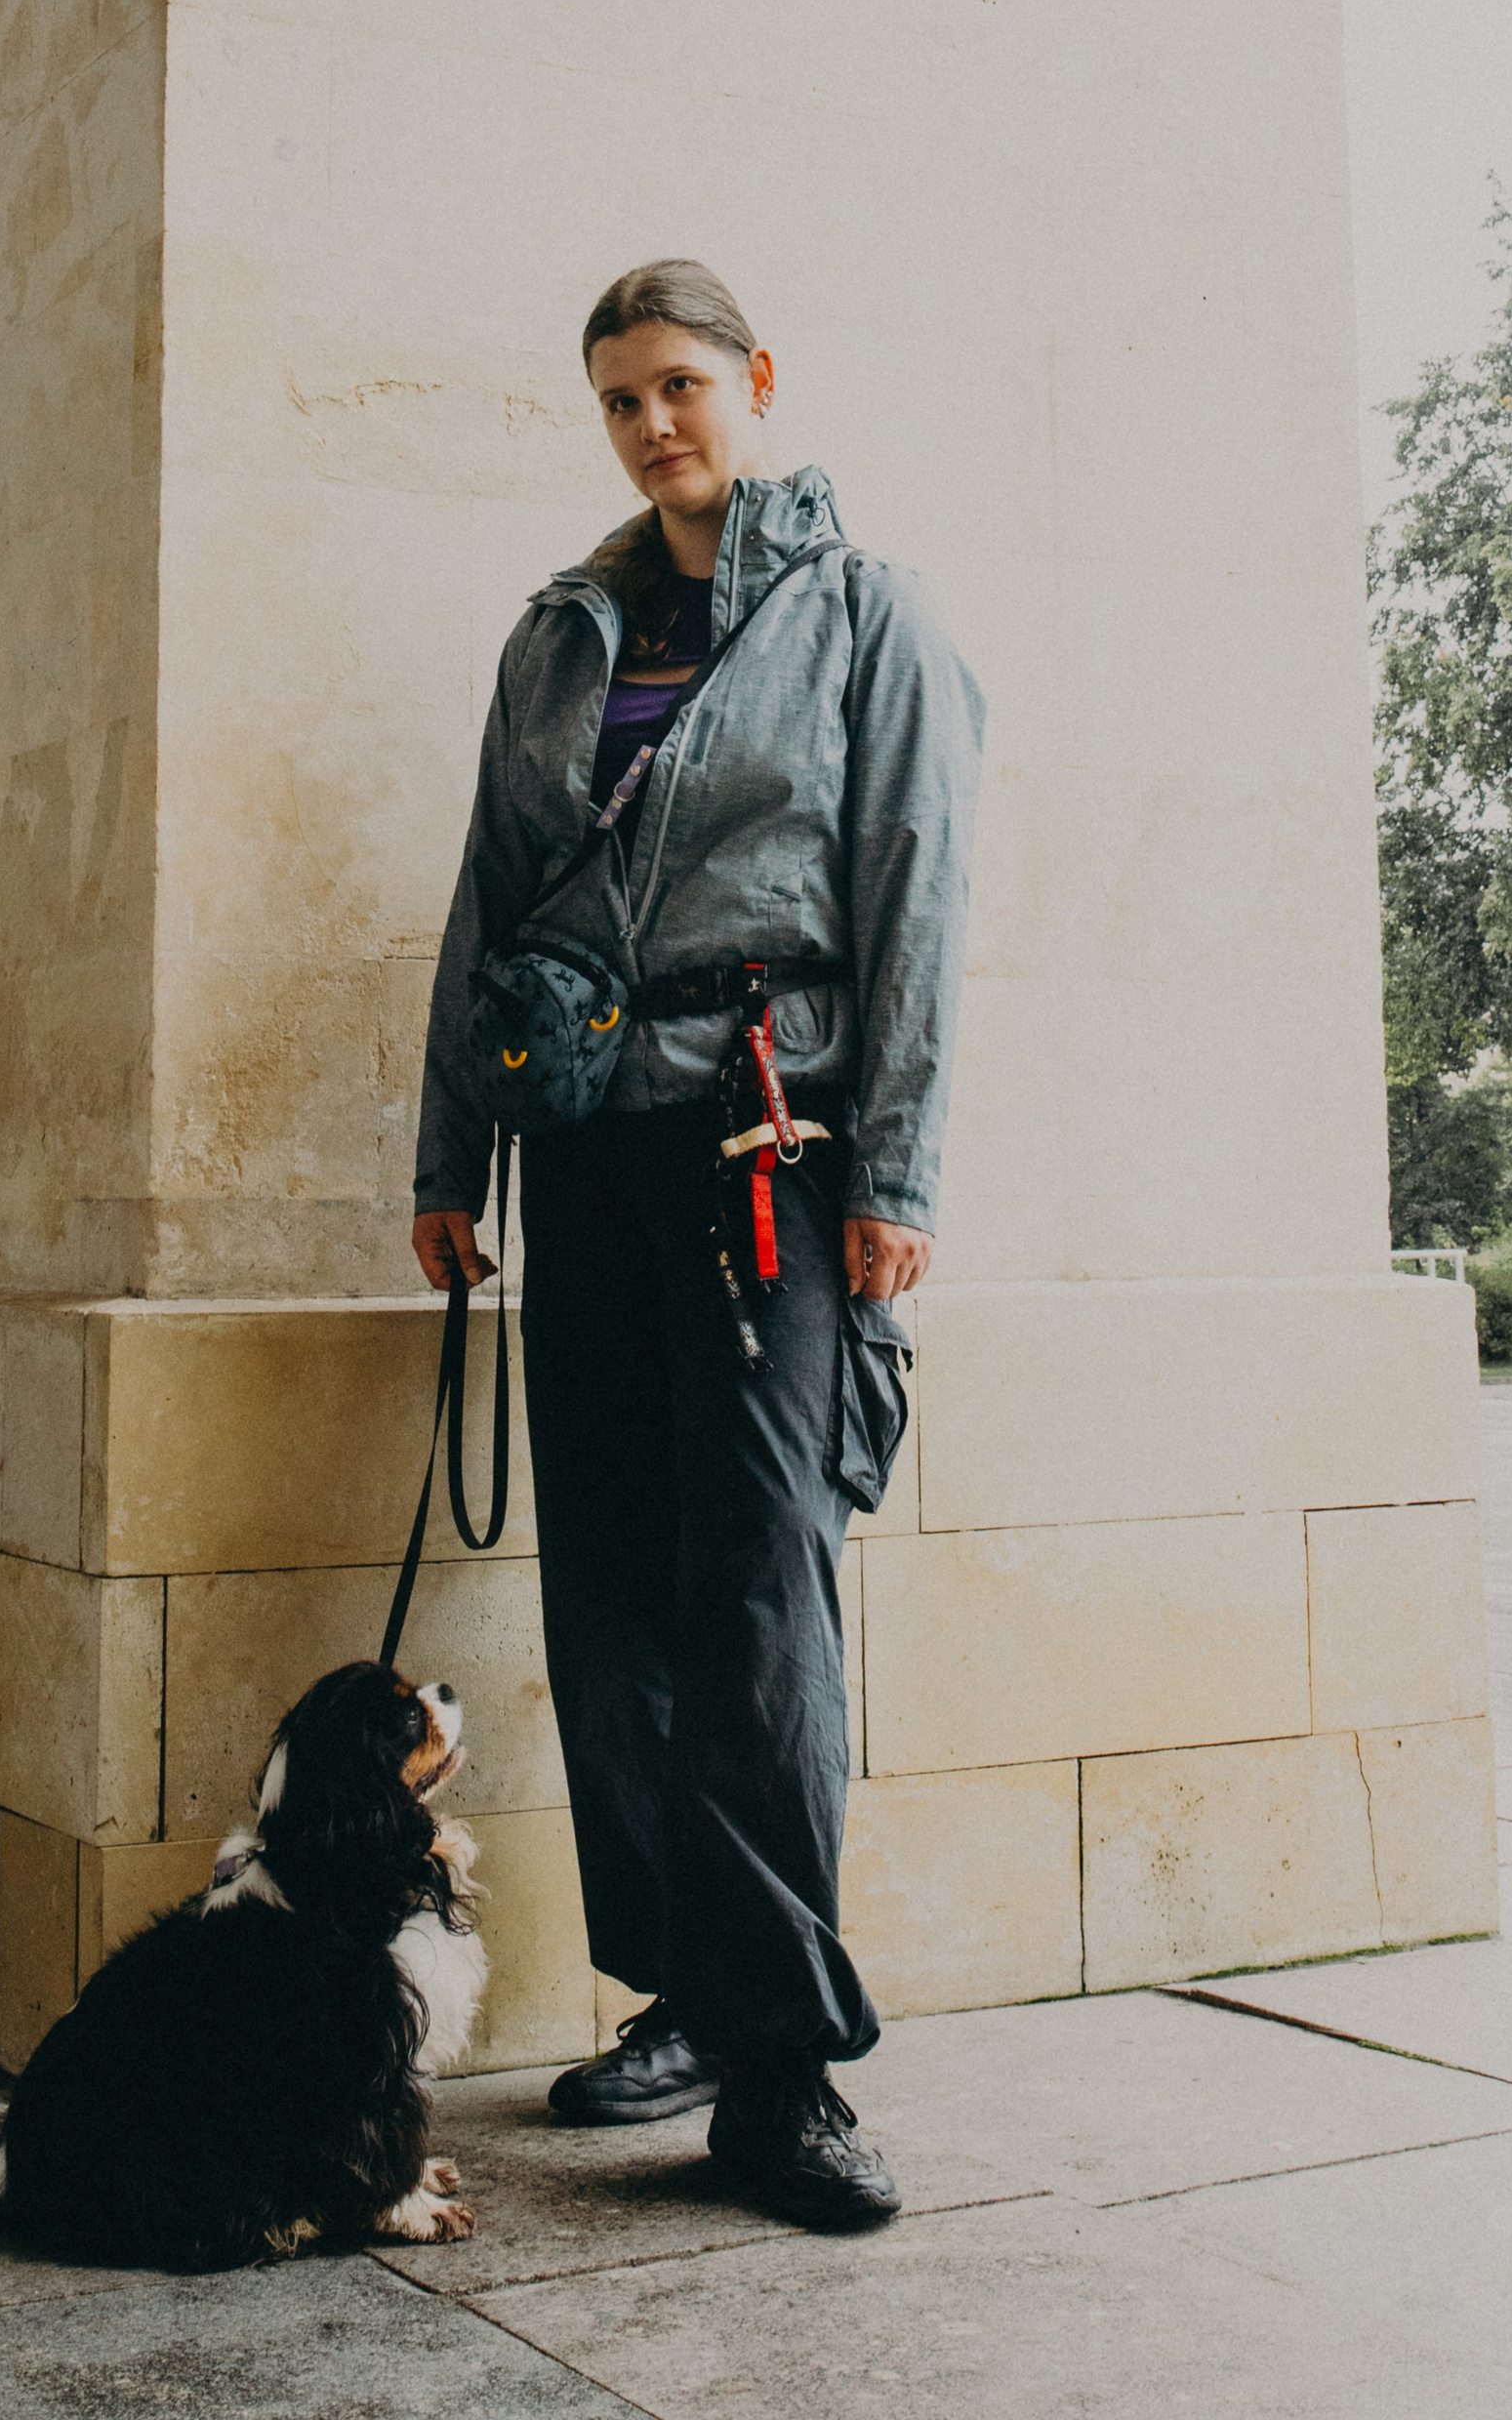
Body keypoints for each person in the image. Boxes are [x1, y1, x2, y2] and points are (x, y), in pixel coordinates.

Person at [412, 261, 983, 2233]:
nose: (655, 424)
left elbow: (912, 897)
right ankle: (676, 1989)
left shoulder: (864, 617)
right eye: (617, 400)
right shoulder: (560, 632)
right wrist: (449, 1155)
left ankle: (787, 2065)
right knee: (618, 1596)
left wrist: (892, 1174)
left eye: (679, 385)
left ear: (754, 381)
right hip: (579, 1153)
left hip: (768, 1147)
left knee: (757, 1593)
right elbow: (487, 905)